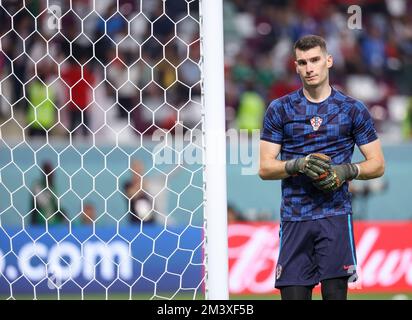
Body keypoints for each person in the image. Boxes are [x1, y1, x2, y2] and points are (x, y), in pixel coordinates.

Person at [259, 35, 385, 300]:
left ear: (328, 60)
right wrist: (299, 165)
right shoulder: (280, 110)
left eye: (315, 60)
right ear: (296, 66)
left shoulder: (353, 110)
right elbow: (265, 168)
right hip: (295, 218)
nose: (309, 67)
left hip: (335, 216)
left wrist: (346, 171)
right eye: (303, 62)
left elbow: (377, 164)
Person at [30, 162, 67, 226]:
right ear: (44, 172)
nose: (52, 174)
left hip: (55, 223)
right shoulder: (38, 185)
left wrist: (64, 214)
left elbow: (58, 205)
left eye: (52, 171)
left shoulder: (53, 187)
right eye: (49, 171)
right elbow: (43, 203)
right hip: (40, 223)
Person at [124, 159, 157, 224]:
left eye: (139, 167)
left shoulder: (148, 183)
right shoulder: (128, 184)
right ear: (131, 169)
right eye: (135, 167)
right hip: (135, 223)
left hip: (151, 223)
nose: (138, 169)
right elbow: (132, 195)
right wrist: (142, 184)